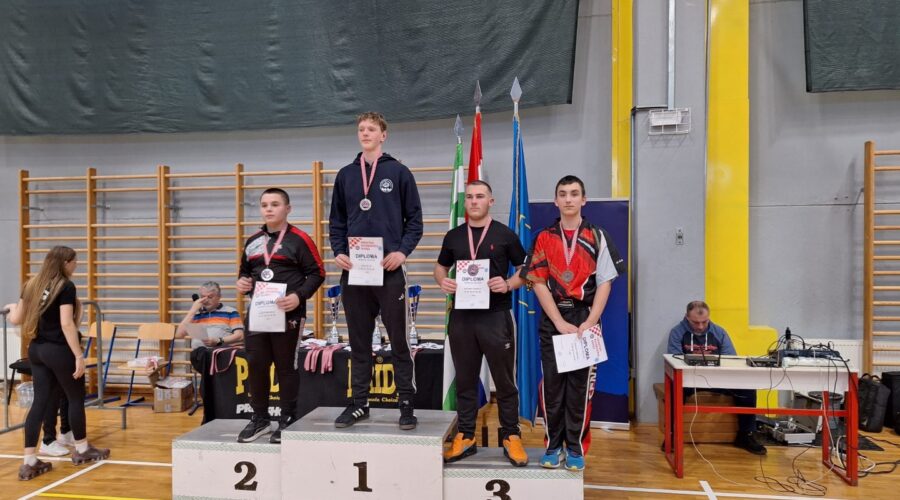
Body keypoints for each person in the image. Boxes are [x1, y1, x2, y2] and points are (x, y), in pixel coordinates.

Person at [522, 175, 624, 471]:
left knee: (580, 389)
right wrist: (557, 320)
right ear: (556, 201)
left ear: (584, 200)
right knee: (552, 388)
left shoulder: (598, 236)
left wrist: (590, 321)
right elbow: (537, 282)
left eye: (574, 193)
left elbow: (605, 282)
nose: (568, 199)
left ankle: (575, 447)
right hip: (553, 319)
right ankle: (553, 446)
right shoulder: (544, 237)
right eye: (563, 194)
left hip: (584, 319)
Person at [329, 112, 423, 430]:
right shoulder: (345, 175)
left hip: (389, 270)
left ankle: (406, 404)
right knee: (358, 341)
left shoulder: (398, 172)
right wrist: (339, 252)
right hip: (356, 271)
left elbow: (415, 221)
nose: (365, 133)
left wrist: (401, 252)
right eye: (361, 129)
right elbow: (337, 222)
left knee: (398, 340)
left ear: (383, 135)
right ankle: (359, 404)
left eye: (371, 129)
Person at [434, 180, 529, 466]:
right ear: (465, 202)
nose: (474, 201)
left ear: (491, 201)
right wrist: (443, 281)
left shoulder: (505, 234)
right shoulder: (453, 236)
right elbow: (440, 267)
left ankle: (511, 435)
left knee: (505, 381)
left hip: (495, 317)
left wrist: (509, 283)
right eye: (470, 197)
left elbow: (525, 268)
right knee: (465, 381)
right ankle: (466, 436)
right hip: (462, 318)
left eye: (480, 196)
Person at [4, 246, 110, 481]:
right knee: (75, 397)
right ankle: (82, 449)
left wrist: (11, 309)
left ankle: (29, 461)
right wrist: (78, 356)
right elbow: (67, 323)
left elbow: (17, 318)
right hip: (59, 350)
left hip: (37, 350)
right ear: (65, 263)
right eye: (74, 261)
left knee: (39, 403)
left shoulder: (31, 284)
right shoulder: (66, 286)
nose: (76, 265)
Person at [235, 188, 325, 444]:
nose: (269, 209)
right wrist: (242, 283)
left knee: (286, 367)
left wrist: (299, 296)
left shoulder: (300, 239)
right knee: (256, 364)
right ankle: (260, 418)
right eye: (264, 204)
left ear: (288, 209)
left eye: (275, 204)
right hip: (258, 314)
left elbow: (317, 273)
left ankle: (288, 417)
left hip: (288, 313)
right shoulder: (253, 241)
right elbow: (245, 273)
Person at [666, 300, 766, 455]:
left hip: (718, 380)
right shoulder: (677, 332)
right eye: (695, 322)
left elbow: (730, 359)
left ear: (709, 317)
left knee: (747, 389)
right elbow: (674, 359)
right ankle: (672, 435)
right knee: (674, 389)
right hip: (688, 380)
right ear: (687, 317)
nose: (700, 326)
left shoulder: (719, 332)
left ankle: (745, 435)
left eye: (704, 322)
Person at [174, 281, 244, 424]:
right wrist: (193, 310)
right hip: (201, 356)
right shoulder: (196, 314)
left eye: (210, 297)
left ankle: (213, 411)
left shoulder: (230, 312)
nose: (205, 300)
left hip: (222, 354)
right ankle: (211, 410)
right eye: (202, 297)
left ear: (219, 297)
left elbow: (240, 335)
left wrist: (218, 341)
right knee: (204, 355)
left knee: (211, 360)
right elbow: (179, 334)